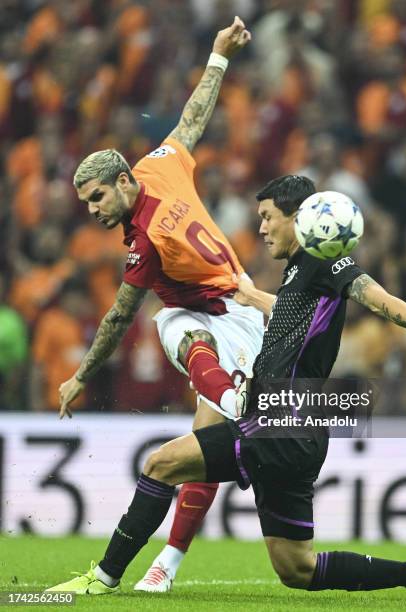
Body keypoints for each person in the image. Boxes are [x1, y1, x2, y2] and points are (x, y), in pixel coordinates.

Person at [47, 176, 406, 603]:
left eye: (268, 217)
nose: (261, 228)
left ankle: (103, 578)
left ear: (299, 218)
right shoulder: (298, 274)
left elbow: (372, 295)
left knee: (160, 464)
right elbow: (298, 317)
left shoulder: (324, 259)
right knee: (297, 569)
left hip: (281, 421)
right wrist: (254, 298)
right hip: (297, 430)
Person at [57, 17, 263, 592]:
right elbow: (193, 116)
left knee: (167, 324)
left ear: (122, 181)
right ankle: (165, 566)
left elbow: (119, 315)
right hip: (227, 308)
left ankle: (231, 400)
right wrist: (219, 55)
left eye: (98, 197)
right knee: (198, 421)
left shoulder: (144, 242)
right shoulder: (161, 165)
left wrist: (78, 377)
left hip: (236, 316)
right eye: (86, 203)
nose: (93, 210)